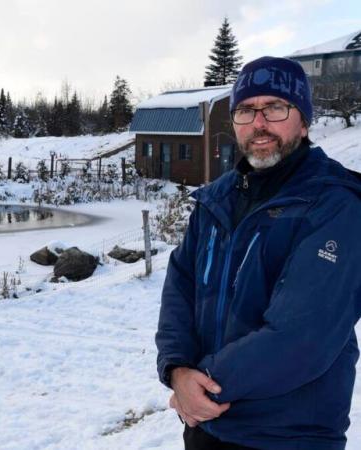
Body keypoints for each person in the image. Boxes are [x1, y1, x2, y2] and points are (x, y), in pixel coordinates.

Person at [155, 56, 361, 450]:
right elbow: (180, 286)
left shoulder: (334, 205)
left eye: (275, 108)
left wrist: (201, 389)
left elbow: (302, 335)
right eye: (246, 110)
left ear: (304, 121)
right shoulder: (214, 201)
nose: (259, 123)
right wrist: (178, 369)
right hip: (205, 429)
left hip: (287, 435)